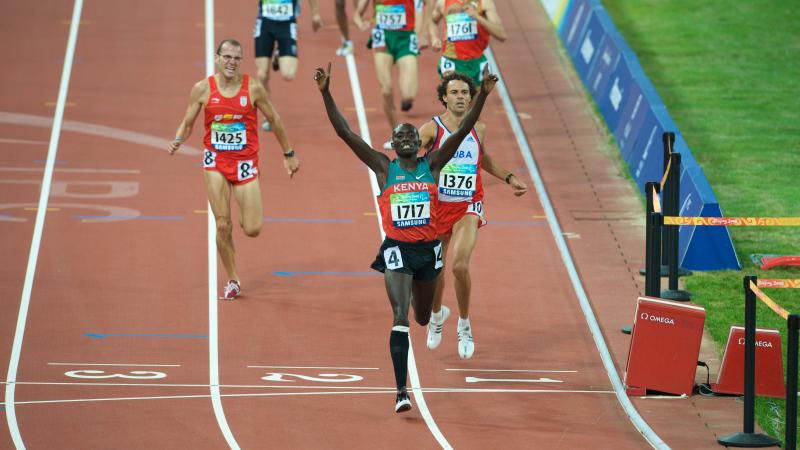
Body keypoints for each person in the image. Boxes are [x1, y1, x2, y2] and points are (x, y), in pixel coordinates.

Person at [315, 63, 496, 412]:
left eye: (412, 136)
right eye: (401, 138)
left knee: (422, 317)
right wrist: (326, 93)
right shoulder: (384, 167)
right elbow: (346, 133)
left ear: (419, 144)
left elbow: (465, 130)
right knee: (399, 318)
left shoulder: (435, 163)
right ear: (394, 146)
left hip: (428, 252)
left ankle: (428, 309)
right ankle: (401, 391)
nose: (408, 140)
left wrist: (483, 96)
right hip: (397, 250)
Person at [168, 39, 300, 300]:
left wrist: (289, 153)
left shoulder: (253, 88)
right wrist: (178, 139)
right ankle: (233, 279)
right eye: (226, 57)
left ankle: (244, 208)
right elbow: (188, 121)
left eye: (236, 58)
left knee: (252, 229)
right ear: (217, 58)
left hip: (244, 164)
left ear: (241, 61)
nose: (231, 62)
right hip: (215, 162)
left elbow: (274, 119)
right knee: (222, 225)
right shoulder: (203, 89)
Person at [419, 71, 527, 359]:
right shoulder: (431, 129)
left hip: (468, 205)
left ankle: (464, 324)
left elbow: (483, 158)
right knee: (435, 273)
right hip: (437, 208)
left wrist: (509, 177)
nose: (460, 97)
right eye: (454, 92)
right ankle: (436, 316)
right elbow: (411, 161)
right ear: (443, 97)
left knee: (459, 267)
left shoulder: (479, 128)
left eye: (465, 93)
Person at [353, 0, 431, 149]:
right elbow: (357, 14)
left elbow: (421, 10)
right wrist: (359, 21)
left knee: (408, 95)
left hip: (406, 39)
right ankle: (397, 135)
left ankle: (405, 95)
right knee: (386, 90)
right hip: (383, 38)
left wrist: (421, 34)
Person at [254, 0, 323, 131]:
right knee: (262, 74)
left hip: (287, 24)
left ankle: (279, 54)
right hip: (264, 23)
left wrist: (315, 14)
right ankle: (269, 115)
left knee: (288, 74)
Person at [428, 0, 506, 86]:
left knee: (474, 99)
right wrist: (434, 38)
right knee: (455, 96)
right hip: (451, 61)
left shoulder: (484, 3)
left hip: (476, 62)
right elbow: (433, 21)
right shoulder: (443, 2)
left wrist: (477, 17)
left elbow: (501, 34)